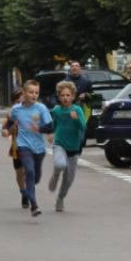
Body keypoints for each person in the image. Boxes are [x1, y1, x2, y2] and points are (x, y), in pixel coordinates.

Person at [9, 79, 53, 216]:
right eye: (31, 92)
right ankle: (34, 205)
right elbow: (10, 121)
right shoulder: (16, 109)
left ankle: (28, 187)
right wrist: (7, 129)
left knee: (36, 178)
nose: (34, 95)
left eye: (36, 93)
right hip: (23, 145)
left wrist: (39, 129)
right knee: (29, 170)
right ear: (24, 93)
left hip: (39, 148)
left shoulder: (41, 108)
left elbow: (50, 126)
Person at [47, 81, 87, 212]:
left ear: (73, 96)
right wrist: (50, 133)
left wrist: (76, 119)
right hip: (60, 144)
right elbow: (52, 124)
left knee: (68, 180)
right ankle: (55, 175)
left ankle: (60, 198)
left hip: (74, 149)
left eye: (68, 95)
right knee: (60, 164)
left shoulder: (77, 110)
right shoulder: (57, 110)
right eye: (62, 95)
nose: (65, 98)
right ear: (59, 97)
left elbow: (83, 127)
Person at [1, 88, 28, 208]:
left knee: (29, 171)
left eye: (22, 98)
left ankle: (28, 190)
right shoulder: (12, 114)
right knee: (19, 173)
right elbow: (5, 130)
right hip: (17, 147)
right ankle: (23, 192)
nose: (20, 101)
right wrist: (8, 130)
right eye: (17, 100)